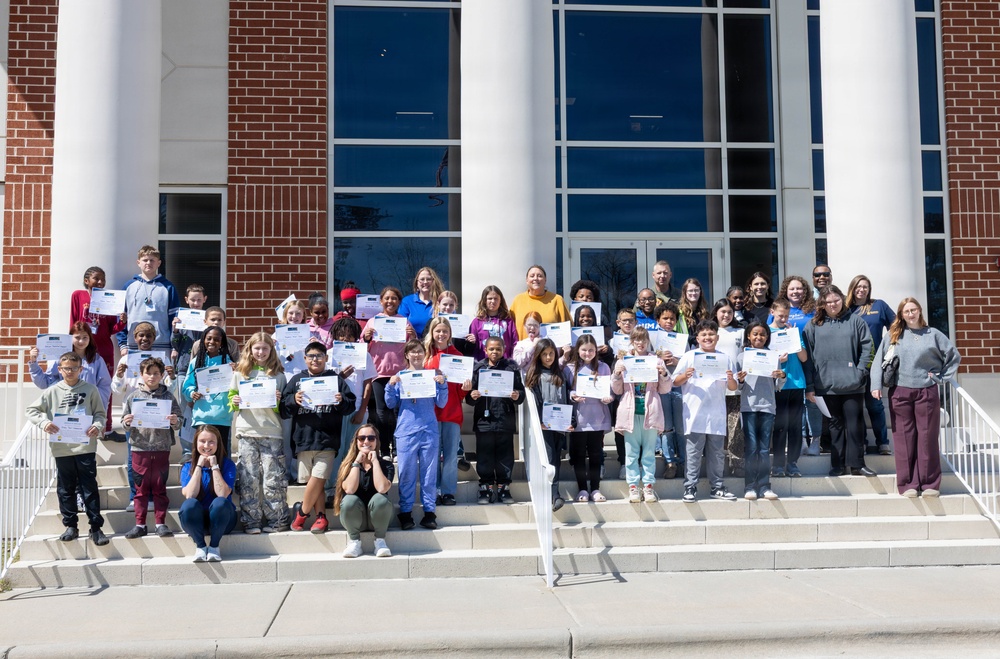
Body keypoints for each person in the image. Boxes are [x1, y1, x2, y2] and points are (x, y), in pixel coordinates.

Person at [871, 298, 960, 497]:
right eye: (906, 311)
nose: (910, 314)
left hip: (926, 391)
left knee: (927, 437)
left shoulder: (933, 334)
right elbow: (878, 361)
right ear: (901, 315)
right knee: (904, 438)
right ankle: (908, 484)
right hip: (900, 391)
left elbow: (954, 356)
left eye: (913, 310)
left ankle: (929, 484)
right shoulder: (894, 335)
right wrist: (875, 385)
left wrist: (941, 377)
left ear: (920, 311)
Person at [25, 351, 109, 546]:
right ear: (60, 370)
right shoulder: (52, 391)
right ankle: (71, 525)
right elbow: (32, 411)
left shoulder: (90, 390)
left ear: (81, 369)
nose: (69, 371)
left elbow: (99, 414)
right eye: (65, 368)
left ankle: (96, 527)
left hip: (85, 447)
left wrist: (96, 426)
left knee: (89, 487)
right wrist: (44, 423)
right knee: (65, 488)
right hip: (62, 448)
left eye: (73, 368)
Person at [282, 340, 355, 533]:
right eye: (311, 356)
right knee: (315, 482)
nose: (315, 360)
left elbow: (350, 405)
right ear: (305, 359)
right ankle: (321, 517)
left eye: (319, 356)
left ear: (326, 358)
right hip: (303, 439)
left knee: (319, 476)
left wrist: (340, 401)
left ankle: (302, 513)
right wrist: (293, 400)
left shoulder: (335, 380)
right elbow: (283, 408)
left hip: (327, 439)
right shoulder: (297, 380)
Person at [803, 285, 875, 478]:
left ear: (842, 300)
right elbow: (807, 357)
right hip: (826, 385)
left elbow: (868, 348)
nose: (833, 304)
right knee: (835, 426)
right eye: (828, 302)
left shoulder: (855, 321)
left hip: (853, 384)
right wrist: (810, 386)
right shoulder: (813, 325)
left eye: (836, 300)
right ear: (822, 304)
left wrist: (861, 372)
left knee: (854, 425)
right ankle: (838, 465)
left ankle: (857, 464)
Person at [228, 332, 289, 533]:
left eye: (265, 348)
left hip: (271, 431)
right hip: (247, 431)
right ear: (250, 350)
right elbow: (231, 399)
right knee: (248, 478)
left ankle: (277, 520)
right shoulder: (240, 374)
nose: (261, 352)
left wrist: (279, 401)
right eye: (257, 348)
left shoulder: (279, 376)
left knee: (273, 478)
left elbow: (285, 408)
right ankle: (251, 521)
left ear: (271, 350)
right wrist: (234, 401)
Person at [385, 338, 449, 530]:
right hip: (406, 431)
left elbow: (442, 403)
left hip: (428, 430)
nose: (417, 355)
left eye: (420, 351)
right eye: (413, 352)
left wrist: (443, 384)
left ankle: (429, 512)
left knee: (429, 473)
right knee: (406, 473)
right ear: (406, 355)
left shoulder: (433, 375)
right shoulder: (400, 376)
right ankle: (405, 513)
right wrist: (390, 385)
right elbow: (390, 403)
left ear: (425, 354)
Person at [673, 320, 739, 503]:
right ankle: (690, 487)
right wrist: (685, 376)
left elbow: (733, 386)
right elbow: (675, 381)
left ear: (717, 337)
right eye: (704, 335)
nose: (708, 338)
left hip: (716, 413)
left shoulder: (724, 358)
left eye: (711, 334)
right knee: (693, 452)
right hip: (694, 414)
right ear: (698, 338)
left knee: (717, 453)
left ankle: (717, 487)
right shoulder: (689, 356)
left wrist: (730, 378)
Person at [121, 357, 181, 539]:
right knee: (140, 488)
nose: (152, 377)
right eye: (148, 373)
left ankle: (160, 523)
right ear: (141, 374)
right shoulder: (133, 397)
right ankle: (140, 524)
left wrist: (175, 421)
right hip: (140, 447)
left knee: (159, 486)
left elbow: (179, 421)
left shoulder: (168, 397)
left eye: (156, 373)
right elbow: (124, 421)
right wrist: (126, 422)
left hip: (161, 447)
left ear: (162, 375)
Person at [612, 327, 671, 503]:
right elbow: (617, 389)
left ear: (648, 341)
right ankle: (633, 487)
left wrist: (664, 374)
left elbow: (665, 389)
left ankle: (648, 486)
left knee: (648, 453)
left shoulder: (656, 361)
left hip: (650, 411)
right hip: (630, 411)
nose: (640, 343)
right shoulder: (623, 360)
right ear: (631, 341)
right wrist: (616, 373)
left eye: (643, 339)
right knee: (631, 453)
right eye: (636, 339)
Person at [465, 336, 525, 504]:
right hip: (484, 422)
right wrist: (473, 395)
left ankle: (503, 488)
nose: (495, 352)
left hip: (505, 420)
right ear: (485, 350)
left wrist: (517, 395)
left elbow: (521, 394)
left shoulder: (511, 368)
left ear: (504, 349)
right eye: (491, 349)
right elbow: (469, 398)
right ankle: (486, 487)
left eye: (498, 349)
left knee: (505, 456)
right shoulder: (479, 368)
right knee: (484, 456)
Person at [69, 265, 125, 441]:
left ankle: (106, 429)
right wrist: (73, 347)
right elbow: (73, 322)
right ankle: (80, 425)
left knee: (105, 388)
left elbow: (111, 329)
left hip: (104, 349)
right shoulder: (78, 296)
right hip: (84, 349)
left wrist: (122, 322)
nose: (100, 282)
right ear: (87, 281)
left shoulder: (109, 299)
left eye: (103, 279)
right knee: (80, 386)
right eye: (96, 278)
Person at [361, 286, 417, 459]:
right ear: (381, 301)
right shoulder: (373, 321)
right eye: (387, 298)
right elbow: (361, 346)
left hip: (400, 374)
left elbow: (414, 348)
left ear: (399, 302)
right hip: (379, 373)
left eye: (394, 298)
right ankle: (385, 449)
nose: (390, 301)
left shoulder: (404, 321)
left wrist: (413, 335)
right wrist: (366, 337)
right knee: (381, 413)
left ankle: (397, 449)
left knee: (398, 413)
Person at [325, 316, 374, 506]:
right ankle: (332, 490)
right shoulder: (329, 355)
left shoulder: (364, 354)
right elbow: (325, 382)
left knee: (354, 451)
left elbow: (368, 384)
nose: (346, 339)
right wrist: (339, 376)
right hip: (334, 411)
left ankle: (354, 488)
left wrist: (362, 410)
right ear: (335, 336)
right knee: (335, 452)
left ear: (356, 337)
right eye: (341, 335)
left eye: (350, 335)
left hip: (356, 412)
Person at [846, 274, 896, 455]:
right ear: (852, 288)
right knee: (856, 406)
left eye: (865, 286)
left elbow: (896, 326)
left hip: (874, 364)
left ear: (869, 289)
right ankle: (862, 443)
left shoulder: (879, 305)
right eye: (858, 286)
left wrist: (890, 349)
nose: (861, 289)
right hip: (852, 365)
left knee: (875, 405)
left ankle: (883, 442)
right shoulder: (846, 309)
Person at [423, 316, 469, 507]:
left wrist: (466, 387)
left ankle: (448, 492)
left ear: (450, 333)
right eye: (438, 331)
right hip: (429, 413)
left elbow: (460, 393)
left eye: (445, 331)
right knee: (432, 455)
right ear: (432, 333)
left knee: (450, 455)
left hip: (451, 412)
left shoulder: (458, 356)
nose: (441, 334)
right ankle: (433, 490)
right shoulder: (424, 356)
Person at [736, 321, 785, 501]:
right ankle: (749, 486)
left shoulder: (774, 357)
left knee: (764, 449)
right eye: (755, 334)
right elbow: (737, 387)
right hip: (748, 406)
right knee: (751, 448)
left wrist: (782, 376)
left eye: (762, 334)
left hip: (767, 406)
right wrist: (740, 380)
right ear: (748, 336)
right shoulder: (742, 357)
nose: (759, 337)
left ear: (767, 337)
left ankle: (764, 486)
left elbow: (779, 385)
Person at [179, 425, 237, 562]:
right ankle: (200, 547)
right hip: (198, 521)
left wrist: (215, 467)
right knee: (189, 505)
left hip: (223, 520)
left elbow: (222, 493)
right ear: (196, 443)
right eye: (202, 441)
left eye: (211, 442)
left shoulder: (227, 465)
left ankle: (214, 547)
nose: (207, 445)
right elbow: (189, 495)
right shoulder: (188, 467)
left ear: (218, 444)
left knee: (220, 502)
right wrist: (198, 466)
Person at [334, 425, 394, 558]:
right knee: (349, 500)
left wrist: (375, 462)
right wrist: (356, 463)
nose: (366, 442)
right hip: (355, 520)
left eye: (371, 438)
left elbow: (382, 488)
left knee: (380, 499)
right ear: (356, 442)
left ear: (377, 441)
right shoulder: (347, 465)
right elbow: (349, 489)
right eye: (361, 438)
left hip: (379, 520)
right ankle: (354, 542)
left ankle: (380, 542)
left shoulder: (386, 465)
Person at [567, 334, 614, 503]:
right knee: (578, 455)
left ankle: (595, 488)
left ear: (596, 350)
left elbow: (610, 391)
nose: (588, 353)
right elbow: (566, 390)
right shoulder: (570, 368)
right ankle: (582, 489)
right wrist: (573, 395)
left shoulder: (603, 367)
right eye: (584, 350)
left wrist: (609, 398)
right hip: (579, 417)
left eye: (591, 350)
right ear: (577, 350)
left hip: (598, 417)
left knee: (596, 454)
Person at [525, 337, 570, 511]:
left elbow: (565, 399)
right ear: (539, 356)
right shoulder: (534, 375)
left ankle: (554, 493)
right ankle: (554, 494)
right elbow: (535, 401)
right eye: (545, 354)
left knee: (556, 458)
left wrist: (569, 421)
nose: (549, 357)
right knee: (549, 458)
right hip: (543, 426)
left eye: (552, 353)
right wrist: (540, 421)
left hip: (559, 425)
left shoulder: (560, 374)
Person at [769, 298, 807, 478]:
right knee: (779, 426)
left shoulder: (793, 331)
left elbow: (804, 358)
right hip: (778, 385)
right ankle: (777, 464)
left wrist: (795, 338)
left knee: (795, 426)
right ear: (772, 312)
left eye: (786, 316)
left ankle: (792, 463)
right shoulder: (766, 332)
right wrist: (778, 359)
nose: (783, 319)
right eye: (780, 315)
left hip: (797, 382)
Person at [183, 325, 235, 456]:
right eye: (209, 338)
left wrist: (236, 372)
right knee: (203, 454)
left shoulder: (228, 363)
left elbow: (236, 387)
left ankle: (221, 477)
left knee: (221, 454)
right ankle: (203, 477)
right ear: (203, 340)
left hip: (222, 415)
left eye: (216, 339)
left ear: (222, 342)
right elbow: (187, 386)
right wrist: (192, 393)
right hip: (202, 416)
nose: (212, 342)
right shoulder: (196, 362)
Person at [117, 244, 179, 352]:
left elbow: (174, 318)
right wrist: (122, 344)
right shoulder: (128, 286)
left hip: (162, 345)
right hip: (133, 344)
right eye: (145, 260)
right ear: (138, 263)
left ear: (159, 263)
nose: (148, 263)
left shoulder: (168, 287)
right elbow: (120, 317)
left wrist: (174, 346)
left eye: (152, 260)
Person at [171, 283, 209, 457]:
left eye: (199, 300)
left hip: (204, 371)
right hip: (183, 369)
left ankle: (205, 447)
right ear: (186, 300)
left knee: (202, 408)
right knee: (186, 409)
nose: (195, 303)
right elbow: (175, 345)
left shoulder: (208, 320)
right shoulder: (182, 320)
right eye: (192, 300)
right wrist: (176, 330)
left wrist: (206, 327)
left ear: (204, 300)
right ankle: (187, 450)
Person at [652, 301, 685, 479]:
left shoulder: (682, 340)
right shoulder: (653, 341)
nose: (668, 321)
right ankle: (670, 462)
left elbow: (689, 365)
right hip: (660, 388)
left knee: (680, 426)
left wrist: (677, 362)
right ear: (658, 320)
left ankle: (684, 462)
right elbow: (645, 362)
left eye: (672, 319)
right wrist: (658, 357)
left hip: (679, 387)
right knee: (666, 427)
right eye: (665, 318)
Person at [712, 298, 745, 476]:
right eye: (722, 311)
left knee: (735, 428)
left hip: (734, 388)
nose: (726, 315)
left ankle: (737, 463)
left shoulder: (740, 332)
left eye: (729, 312)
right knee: (718, 428)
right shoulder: (710, 332)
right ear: (716, 313)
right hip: (714, 389)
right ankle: (718, 464)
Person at [509, 265, 570, 339]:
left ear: (545, 280)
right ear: (527, 280)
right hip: (523, 349)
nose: (535, 278)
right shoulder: (518, 300)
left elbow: (568, 328)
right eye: (532, 276)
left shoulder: (557, 300)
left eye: (539, 276)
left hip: (549, 349)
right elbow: (509, 328)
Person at [467, 285, 519, 361]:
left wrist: (512, 362)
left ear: (500, 300)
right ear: (484, 300)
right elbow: (473, 347)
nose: (493, 301)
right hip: (483, 364)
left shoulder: (508, 321)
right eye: (490, 298)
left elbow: (514, 343)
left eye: (496, 299)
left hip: (504, 364)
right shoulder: (477, 322)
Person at [399, 266, 445, 337]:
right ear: (417, 283)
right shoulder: (407, 301)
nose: (425, 282)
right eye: (422, 279)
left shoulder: (442, 302)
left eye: (429, 279)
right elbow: (400, 326)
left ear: (434, 282)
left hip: (437, 346)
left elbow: (451, 325)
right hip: (415, 346)